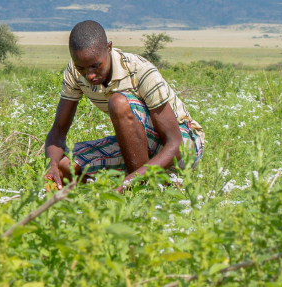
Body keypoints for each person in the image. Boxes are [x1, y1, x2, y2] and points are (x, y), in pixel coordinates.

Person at [44, 20, 205, 188]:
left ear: (108, 48)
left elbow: (175, 144)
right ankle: (117, 189)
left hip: (184, 144)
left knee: (119, 102)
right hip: (140, 145)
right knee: (64, 167)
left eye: (95, 66)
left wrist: (129, 182)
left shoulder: (139, 70)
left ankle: (140, 189)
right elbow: (59, 130)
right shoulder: (74, 72)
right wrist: (52, 166)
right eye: (82, 69)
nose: (89, 75)